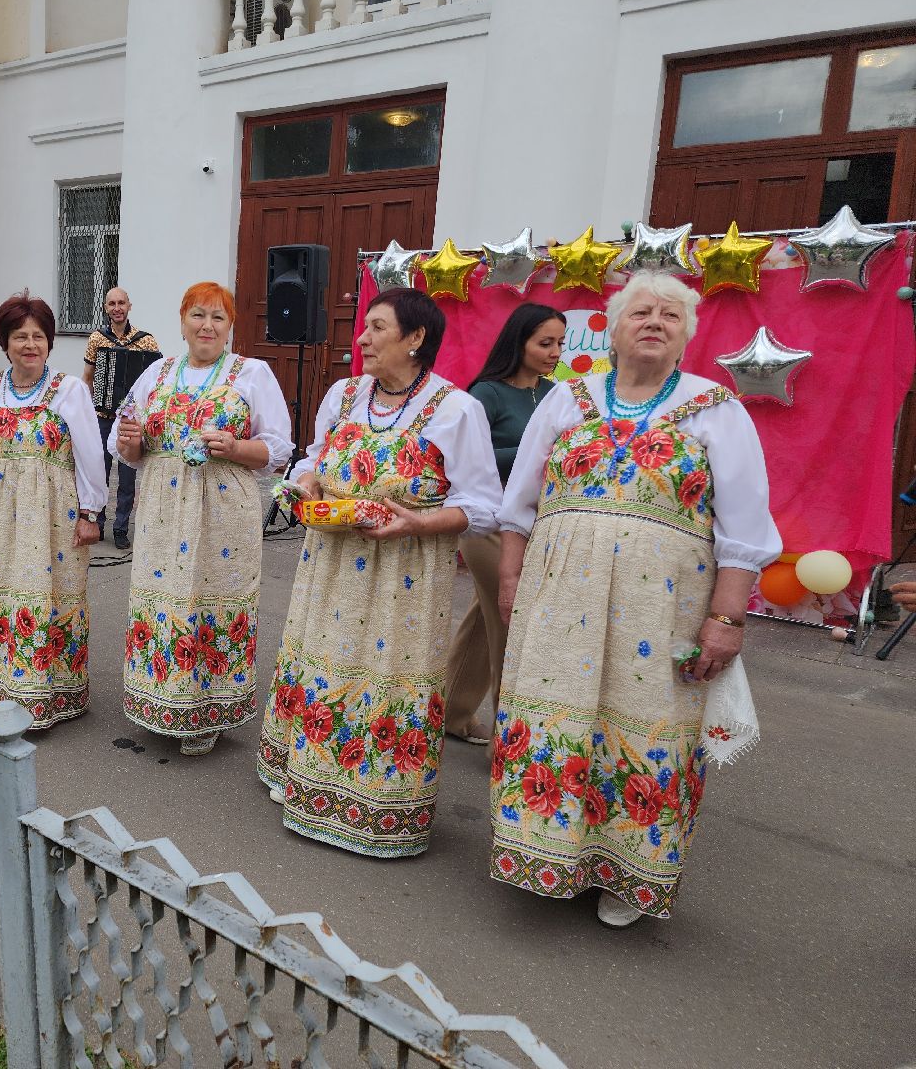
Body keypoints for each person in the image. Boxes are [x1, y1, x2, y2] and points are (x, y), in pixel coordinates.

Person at [490, 271, 781, 928]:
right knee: (554, 714)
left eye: (671, 316)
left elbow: (744, 532)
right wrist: (510, 582)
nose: (655, 322)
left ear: (687, 337)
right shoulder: (566, 400)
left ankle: (628, 873)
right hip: (559, 600)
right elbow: (518, 507)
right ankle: (547, 852)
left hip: (663, 612)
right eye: (641, 312)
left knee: (645, 725)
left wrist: (727, 619)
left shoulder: (717, 409)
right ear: (613, 329)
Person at [256, 287, 502, 857]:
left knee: (384, 676)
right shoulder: (343, 395)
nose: (362, 339)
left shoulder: (456, 410)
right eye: (364, 328)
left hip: (404, 577)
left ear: (416, 340)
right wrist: (307, 484)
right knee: (322, 661)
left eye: (378, 329)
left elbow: (485, 507)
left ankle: (376, 807)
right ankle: (308, 779)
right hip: (332, 564)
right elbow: (313, 457)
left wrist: (416, 523)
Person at [113, 281, 293, 757]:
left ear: (230, 325)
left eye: (217, 317)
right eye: (198, 315)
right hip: (161, 509)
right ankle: (158, 699)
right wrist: (130, 440)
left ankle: (205, 710)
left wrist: (235, 447)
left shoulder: (252, 374)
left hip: (222, 511)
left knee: (211, 600)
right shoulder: (157, 373)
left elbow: (276, 450)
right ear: (182, 321)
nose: (206, 326)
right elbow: (129, 447)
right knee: (163, 599)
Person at [0, 291, 106, 726]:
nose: (30, 345)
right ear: (4, 341)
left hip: (54, 510)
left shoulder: (70, 389)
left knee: (55, 595)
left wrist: (91, 513)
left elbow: (90, 456)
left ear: (50, 342)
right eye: (20, 336)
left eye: (38, 336)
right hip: (2, 508)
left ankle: (54, 693)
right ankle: (3, 688)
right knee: (3, 591)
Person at [444, 304, 566, 744]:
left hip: (534, 521)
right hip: (487, 523)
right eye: (544, 342)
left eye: (559, 343)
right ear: (520, 342)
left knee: (487, 616)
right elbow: (464, 459)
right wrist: (530, 455)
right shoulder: (486, 394)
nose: (554, 352)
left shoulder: (557, 394)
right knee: (510, 623)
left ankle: (452, 711)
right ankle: (510, 740)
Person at [83, 286, 161, 549]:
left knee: (127, 478)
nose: (117, 308)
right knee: (99, 472)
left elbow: (153, 384)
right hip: (103, 416)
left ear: (129, 306)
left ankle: (121, 528)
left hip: (130, 420)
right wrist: (86, 411)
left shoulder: (146, 341)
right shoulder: (97, 339)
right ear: (106, 308)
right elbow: (88, 378)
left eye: (121, 303)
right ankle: (98, 522)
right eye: (111, 304)